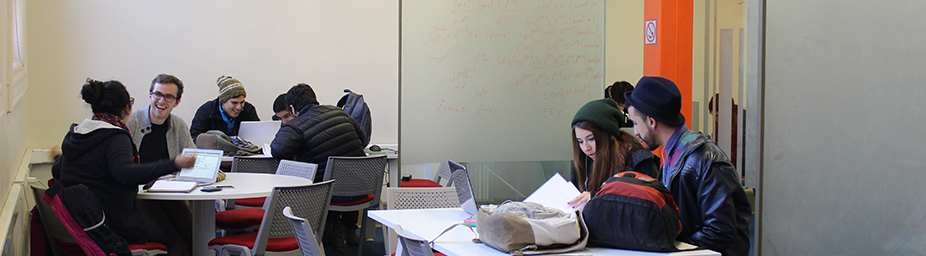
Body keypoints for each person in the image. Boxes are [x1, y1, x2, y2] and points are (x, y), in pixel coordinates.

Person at [53, 78, 196, 256]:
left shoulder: (76, 132)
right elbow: (125, 173)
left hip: (82, 217)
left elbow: (57, 171)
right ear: (126, 108)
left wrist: (59, 158)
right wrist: (173, 163)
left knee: (174, 215)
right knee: (173, 237)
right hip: (111, 221)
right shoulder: (115, 136)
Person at [624, 76, 751, 256]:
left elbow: (720, 231)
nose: (636, 132)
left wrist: (673, 248)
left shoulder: (705, 159)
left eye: (636, 123)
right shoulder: (673, 156)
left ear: (651, 122)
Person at [269, 83, 365, 255]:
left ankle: (324, 231)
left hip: (326, 192)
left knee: (301, 184)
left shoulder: (295, 125)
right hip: (361, 187)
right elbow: (362, 139)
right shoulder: (340, 113)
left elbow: (278, 151)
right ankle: (337, 229)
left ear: (292, 108)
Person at [125, 74, 195, 253]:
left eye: (169, 97)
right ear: (150, 95)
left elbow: (193, 156)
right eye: (158, 94)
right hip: (139, 195)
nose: (161, 101)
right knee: (172, 237)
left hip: (169, 194)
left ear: (177, 102)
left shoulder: (178, 125)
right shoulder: (132, 122)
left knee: (193, 232)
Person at [566, 99, 660, 210]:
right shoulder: (583, 161)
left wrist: (597, 199)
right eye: (580, 141)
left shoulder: (639, 161)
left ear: (610, 135)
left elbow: (648, 208)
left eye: (591, 139)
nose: (586, 148)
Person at [189, 75, 259, 141]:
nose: (239, 107)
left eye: (242, 102)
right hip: (214, 149)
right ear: (223, 101)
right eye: (234, 103)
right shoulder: (206, 111)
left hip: (244, 149)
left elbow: (259, 134)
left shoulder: (249, 110)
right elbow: (194, 138)